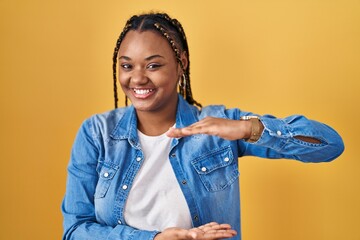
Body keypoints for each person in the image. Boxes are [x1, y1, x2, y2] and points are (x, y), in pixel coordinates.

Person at [61, 12, 344, 240]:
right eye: (127, 66)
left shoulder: (218, 127)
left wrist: (249, 129)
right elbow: (74, 231)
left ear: (180, 63)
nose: (137, 79)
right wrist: (154, 238)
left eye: (153, 66)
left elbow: (329, 145)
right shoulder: (96, 133)